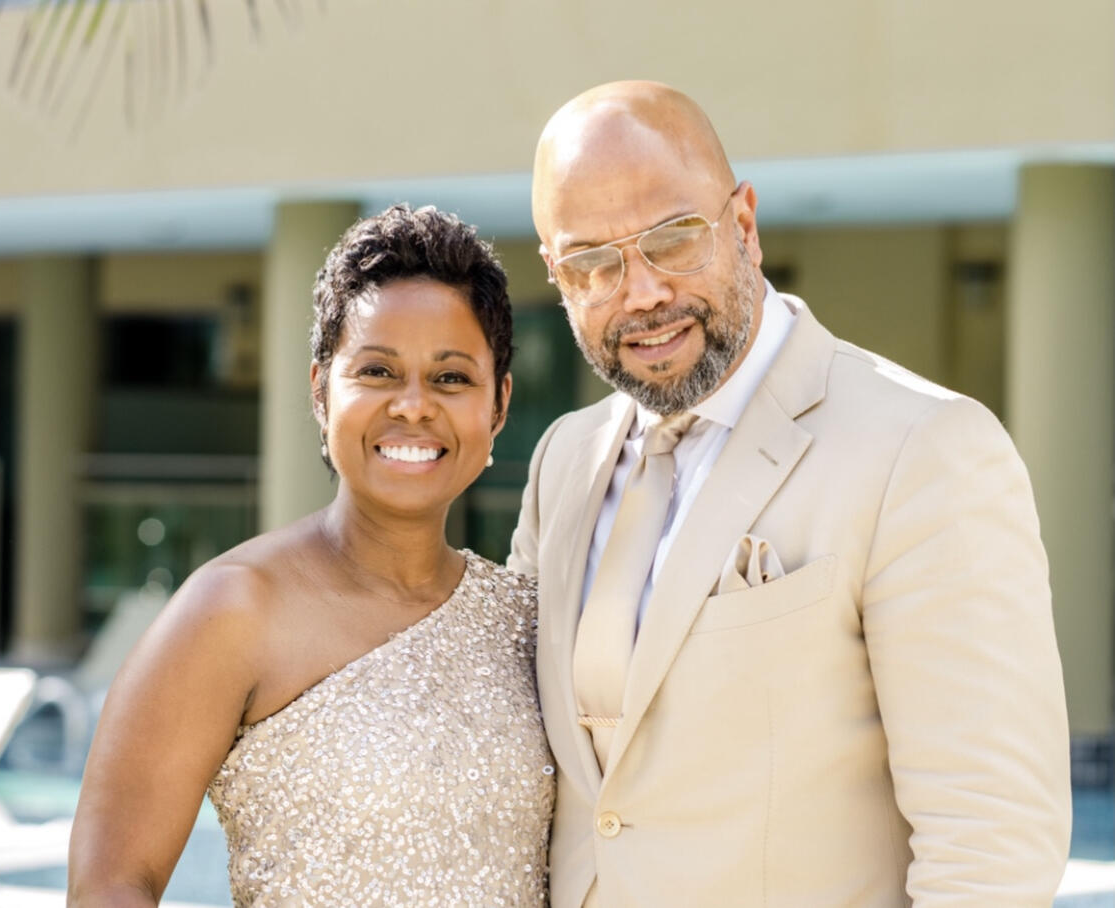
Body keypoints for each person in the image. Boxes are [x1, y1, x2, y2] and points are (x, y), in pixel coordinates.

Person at [509, 81, 1071, 908]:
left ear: (743, 225)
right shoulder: (563, 458)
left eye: (673, 239)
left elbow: (990, 844)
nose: (642, 293)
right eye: (594, 263)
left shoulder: (926, 449)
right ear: (558, 276)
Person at [69, 204, 555, 907]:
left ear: (499, 404)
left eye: (451, 378)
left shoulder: (525, 620)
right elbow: (111, 885)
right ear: (322, 391)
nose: (414, 406)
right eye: (379, 371)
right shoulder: (233, 609)